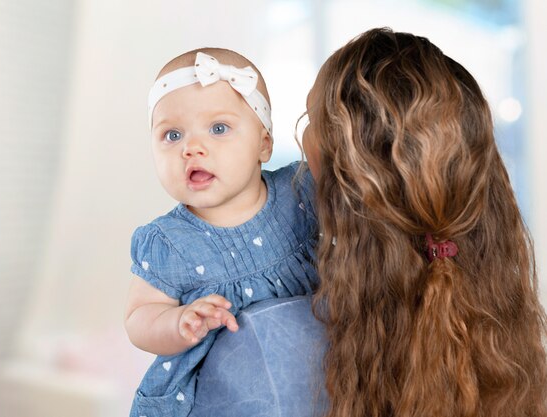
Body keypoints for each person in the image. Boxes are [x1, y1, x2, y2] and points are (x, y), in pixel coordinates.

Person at [301, 28, 547, 417]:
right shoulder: (512, 354)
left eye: (310, 120)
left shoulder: (293, 342)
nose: (304, 141)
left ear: (344, 180)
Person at [124, 47, 318, 417]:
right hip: (222, 397)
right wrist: (179, 323)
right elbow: (138, 317)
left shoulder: (301, 192)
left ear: (264, 143)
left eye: (218, 128)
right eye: (172, 135)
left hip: (314, 375)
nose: (192, 148)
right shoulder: (168, 242)